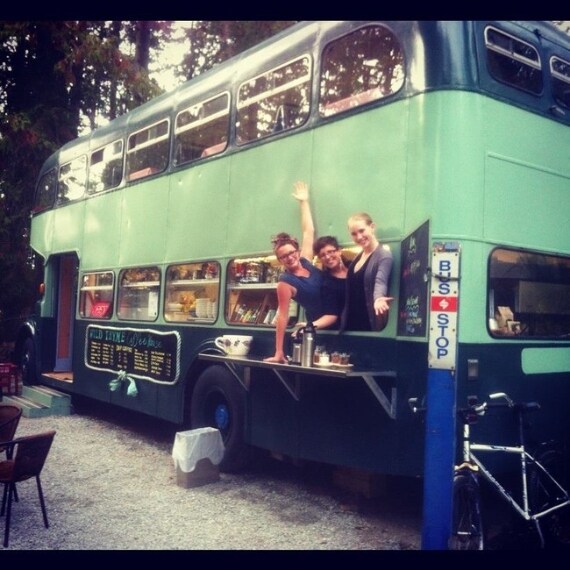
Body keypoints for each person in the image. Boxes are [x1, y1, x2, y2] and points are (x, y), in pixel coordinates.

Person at [341, 212, 394, 331]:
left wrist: (378, 298)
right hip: (350, 324)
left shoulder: (384, 255)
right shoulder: (357, 258)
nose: (359, 237)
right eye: (354, 234)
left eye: (362, 231)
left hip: (368, 324)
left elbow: (380, 281)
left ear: (372, 227)